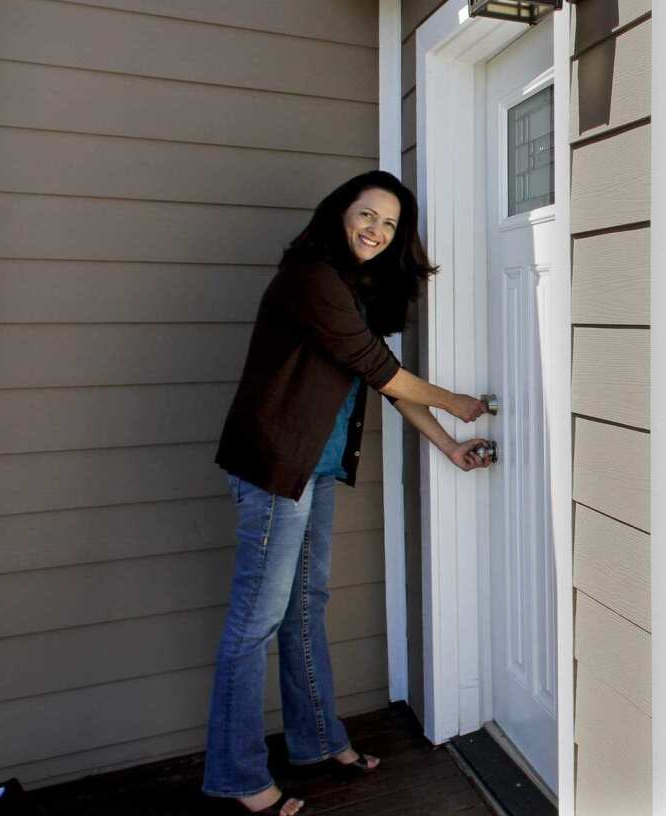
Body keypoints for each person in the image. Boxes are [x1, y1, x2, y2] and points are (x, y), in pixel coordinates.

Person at [203, 170, 493, 815]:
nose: (377, 230)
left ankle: (314, 741)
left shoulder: (351, 292)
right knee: (255, 623)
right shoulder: (311, 277)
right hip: (277, 469)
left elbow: (378, 381)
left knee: (306, 607)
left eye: (390, 225)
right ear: (340, 213)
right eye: (368, 214)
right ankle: (238, 774)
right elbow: (384, 373)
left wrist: (445, 444)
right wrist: (460, 404)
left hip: (316, 470)